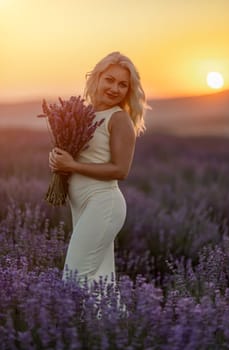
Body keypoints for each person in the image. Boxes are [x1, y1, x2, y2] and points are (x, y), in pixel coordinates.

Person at [49, 51, 146, 286]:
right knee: (98, 284)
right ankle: (110, 323)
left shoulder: (119, 119)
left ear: (129, 91)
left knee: (74, 278)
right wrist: (58, 160)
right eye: (110, 80)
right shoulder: (83, 113)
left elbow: (120, 170)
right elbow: (80, 155)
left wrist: (72, 165)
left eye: (123, 84)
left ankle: (70, 323)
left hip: (103, 203)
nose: (114, 88)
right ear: (97, 78)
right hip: (82, 204)